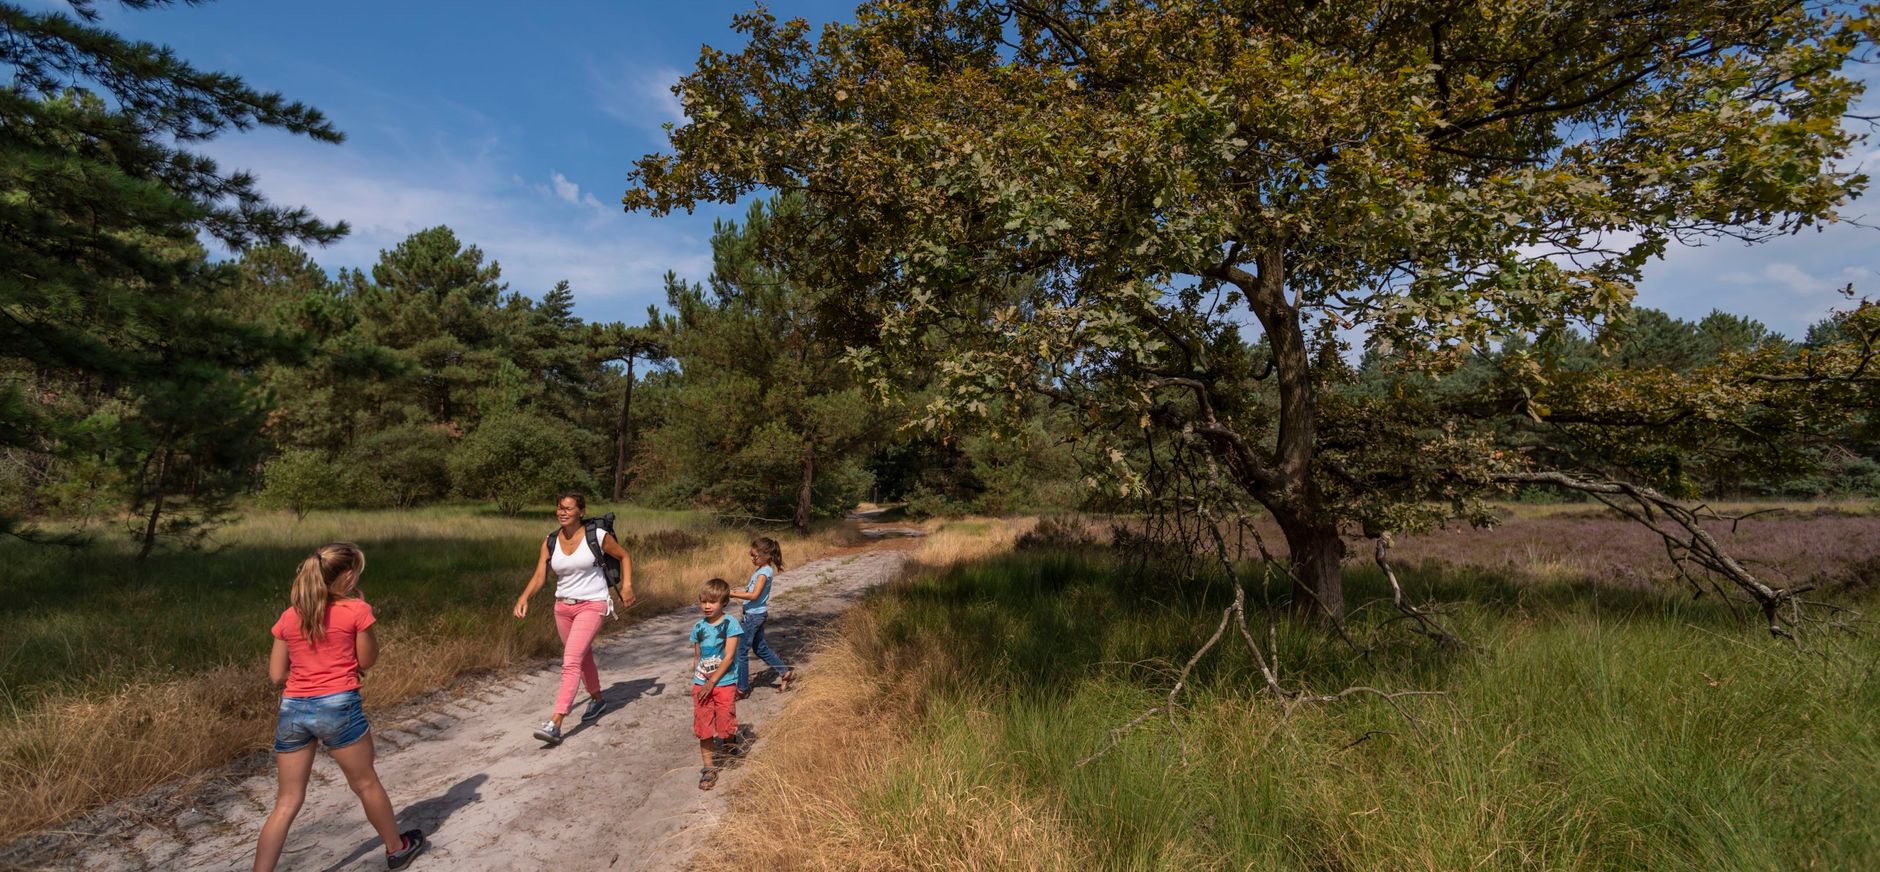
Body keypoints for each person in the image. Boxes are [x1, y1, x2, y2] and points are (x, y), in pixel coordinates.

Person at [255, 543, 426, 872]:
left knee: (287, 801)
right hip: (338, 705)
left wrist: (309, 675)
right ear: (347, 576)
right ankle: (397, 848)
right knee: (365, 783)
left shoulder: (290, 616)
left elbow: (277, 674)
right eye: (356, 572)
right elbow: (367, 660)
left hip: (294, 708)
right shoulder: (356, 611)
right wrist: (361, 614)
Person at [513, 491, 636, 745]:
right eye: (560, 508)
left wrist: (626, 586)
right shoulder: (550, 541)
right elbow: (540, 575)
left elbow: (624, 556)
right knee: (582, 656)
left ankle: (556, 722)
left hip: (593, 604)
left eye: (568, 508)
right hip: (563, 608)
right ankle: (598, 700)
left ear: (581, 511)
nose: (563, 512)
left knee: (570, 661)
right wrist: (524, 597)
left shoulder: (597, 536)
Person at [690, 578, 743, 790]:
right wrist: (698, 680)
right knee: (703, 726)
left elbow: (728, 657)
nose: (707, 606)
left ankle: (729, 741)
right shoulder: (698, 627)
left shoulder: (731, 624)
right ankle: (709, 768)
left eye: (712, 601)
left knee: (725, 722)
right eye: (703, 601)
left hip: (724, 683)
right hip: (702, 684)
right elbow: (697, 656)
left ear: (724, 602)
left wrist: (712, 682)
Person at [726, 536, 795, 699]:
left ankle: (742, 689)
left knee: (741, 651)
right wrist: (741, 597)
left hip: (753, 617)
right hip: (755, 614)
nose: (752, 559)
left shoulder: (764, 573)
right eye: (751, 555)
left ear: (767, 555)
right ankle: (785, 672)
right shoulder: (762, 570)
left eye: (755, 556)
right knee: (760, 648)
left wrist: (733, 593)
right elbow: (753, 593)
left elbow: (755, 595)